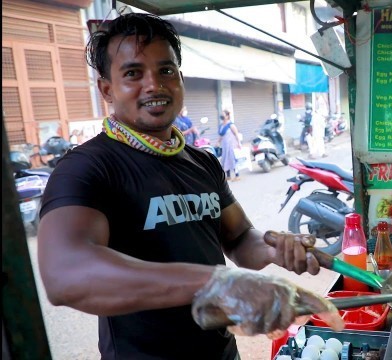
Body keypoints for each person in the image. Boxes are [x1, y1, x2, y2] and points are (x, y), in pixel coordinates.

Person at [36, 13, 343, 360]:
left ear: (180, 79)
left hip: (222, 351)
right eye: (133, 73)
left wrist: (278, 249)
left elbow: (241, 239)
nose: (154, 84)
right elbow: (65, 274)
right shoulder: (87, 167)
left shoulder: (201, 161)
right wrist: (215, 282)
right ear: (107, 89)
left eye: (166, 70)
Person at [217, 109, 242, 181]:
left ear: (227, 116)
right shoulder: (221, 126)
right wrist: (218, 142)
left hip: (231, 145)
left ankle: (237, 175)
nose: (222, 116)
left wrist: (239, 143)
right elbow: (221, 135)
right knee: (225, 159)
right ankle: (228, 176)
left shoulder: (231, 125)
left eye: (223, 114)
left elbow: (236, 134)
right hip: (224, 146)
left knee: (232, 159)